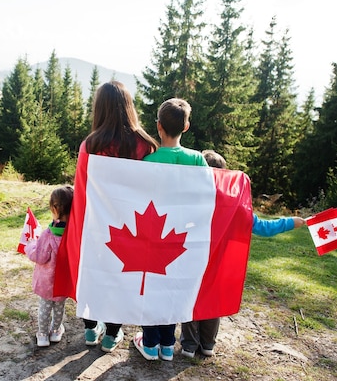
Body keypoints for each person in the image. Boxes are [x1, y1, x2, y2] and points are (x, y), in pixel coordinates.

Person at [180, 149, 306, 358]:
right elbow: (264, 227)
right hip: (221, 266)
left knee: (192, 300)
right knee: (213, 301)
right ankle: (208, 344)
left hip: (195, 261)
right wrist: (291, 222)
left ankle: (189, 346)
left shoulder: (192, 203)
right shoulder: (236, 206)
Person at [77, 80, 159, 353]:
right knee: (121, 278)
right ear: (128, 107)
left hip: (97, 225)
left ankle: (90, 330)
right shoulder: (145, 145)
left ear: (99, 109)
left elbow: (82, 191)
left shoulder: (89, 145)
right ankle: (112, 334)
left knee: (93, 273)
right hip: (131, 227)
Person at [134, 98, 208, 361]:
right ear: (186, 126)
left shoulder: (148, 161)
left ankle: (150, 343)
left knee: (152, 288)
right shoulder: (198, 160)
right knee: (174, 289)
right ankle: (168, 345)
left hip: (153, 238)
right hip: (184, 239)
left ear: (158, 127)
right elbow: (207, 198)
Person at [25, 185, 74, 347]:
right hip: (63, 282)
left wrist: (30, 245)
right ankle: (55, 332)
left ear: (54, 208)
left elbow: (39, 256)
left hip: (47, 283)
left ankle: (42, 335)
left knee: (44, 308)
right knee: (59, 308)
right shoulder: (74, 234)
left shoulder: (48, 234)